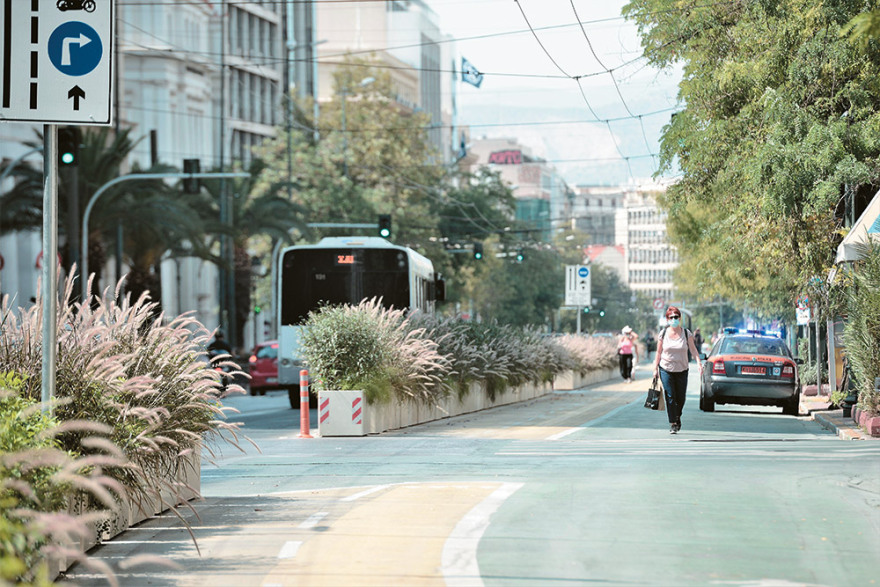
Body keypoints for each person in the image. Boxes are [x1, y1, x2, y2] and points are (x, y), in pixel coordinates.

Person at [652, 306, 703, 434]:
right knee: (670, 395)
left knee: (680, 398)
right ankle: (673, 422)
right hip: (666, 369)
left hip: (682, 370)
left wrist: (699, 363)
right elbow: (658, 352)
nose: (674, 319)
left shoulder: (686, 333)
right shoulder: (663, 334)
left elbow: (693, 350)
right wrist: (655, 369)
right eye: (671, 317)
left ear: (679, 318)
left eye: (676, 317)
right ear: (667, 319)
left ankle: (677, 416)